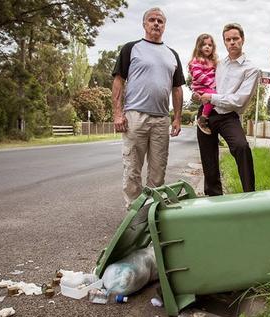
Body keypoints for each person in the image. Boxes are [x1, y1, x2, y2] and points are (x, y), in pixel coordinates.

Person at [111, 7, 185, 207]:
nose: (156, 24)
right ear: (144, 24)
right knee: (132, 168)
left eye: (160, 21)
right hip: (135, 117)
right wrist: (118, 113)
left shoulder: (172, 54)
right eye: (151, 20)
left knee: (158, 171)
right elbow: (119, 80)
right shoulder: (131, 48)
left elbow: (177, 89)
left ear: (164, 26)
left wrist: (177, 117)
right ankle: (134, 215)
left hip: (162, 119)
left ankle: (152, 213)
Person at [196, 23, 260, 196]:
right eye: (228, 39)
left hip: (228, 116)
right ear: (224, 42)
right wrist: (200, 94)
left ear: (243, 40)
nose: (232, 42)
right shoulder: (219, 64)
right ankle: (214, 197)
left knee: (241, 147)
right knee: (208, 158)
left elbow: (239, 100)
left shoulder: (251, 69)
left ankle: (249, 194)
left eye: (235, 38)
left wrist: (212, 98)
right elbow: (205, 82)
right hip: (206, 113)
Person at [189, 34, 218, 135]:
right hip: (201, 87)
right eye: (204, 45)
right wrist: (212, 83)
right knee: (213, 96)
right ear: (199, 47)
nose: (207, 47)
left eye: (210, 45)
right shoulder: (197, 60)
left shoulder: (213, 61)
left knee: (214, 97)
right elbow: (198, 75)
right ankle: (203, 118)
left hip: (208, 87)